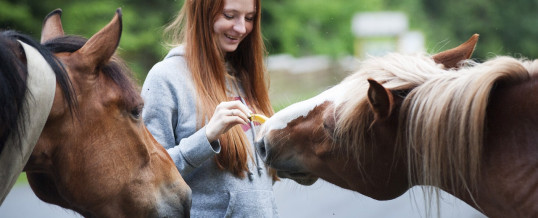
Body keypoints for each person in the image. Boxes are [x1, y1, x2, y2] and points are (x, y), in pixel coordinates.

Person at [141, 0, 278, 217]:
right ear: (203, 13)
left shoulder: (244, 76)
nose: (242, 28)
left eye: (249, 18)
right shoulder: (165, 78)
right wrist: (206, 136)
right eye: (229, 15)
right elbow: (147, 175)